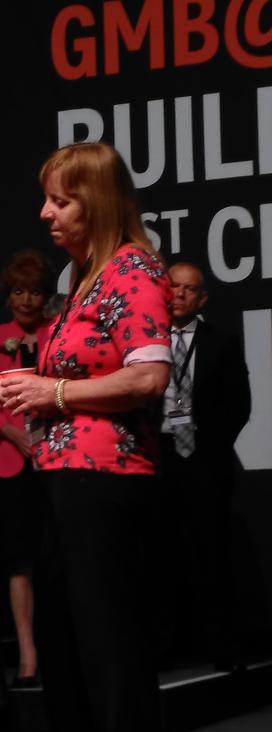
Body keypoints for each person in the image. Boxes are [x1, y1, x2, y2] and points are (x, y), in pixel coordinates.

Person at [1, 142, 173, 732]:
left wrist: (57, 392)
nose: (46, 213)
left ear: (96, 202)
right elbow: (47, 387)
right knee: (65, 643)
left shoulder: (133, 269)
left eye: (61, 200)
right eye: (46, 199)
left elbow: (148, 376)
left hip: (107, 479)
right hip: (61, 478)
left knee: (107, 644)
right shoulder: (80, 280)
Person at [159, 261, 251, 667]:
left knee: (212, 553)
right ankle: (167, 647)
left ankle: (221, 646)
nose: (179, 294)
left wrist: (206, 446)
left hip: (205, 458)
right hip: (158, 458)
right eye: (173, 286)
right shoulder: (146, 343)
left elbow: (238, 406)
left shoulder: (222, 342)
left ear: (202, 298)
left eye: (188, 289)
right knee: (162, 554)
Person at [0, 250, 54, 687]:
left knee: (55, 557)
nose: (26, 300)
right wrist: (11, 433)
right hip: (10, 464)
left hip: (57, 459)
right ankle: (27, 654)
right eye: (19, 291)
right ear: (8, 297)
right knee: (19, 561)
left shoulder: (58, 331)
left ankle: (61, 648)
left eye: (35, 292)